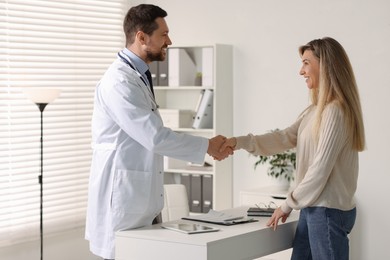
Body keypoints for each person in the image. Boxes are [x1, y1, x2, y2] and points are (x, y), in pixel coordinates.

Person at [85, 4, 231, 259]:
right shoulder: (119, 82)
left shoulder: (137, 76)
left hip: (140, 202)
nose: (169, 41)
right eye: (163, 34)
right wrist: (207, 146)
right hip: (123, 202)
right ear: (141, 37)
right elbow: (154, 137)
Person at [220, 37, 365, 260]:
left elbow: (319, 170)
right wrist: (237, 142)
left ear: (324, 65)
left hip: (326, 211)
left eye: (306, 62)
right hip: (314, 209)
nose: (301, 71)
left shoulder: (335, 111)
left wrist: (287, 205)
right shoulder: (316, 110)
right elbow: (284, 137)